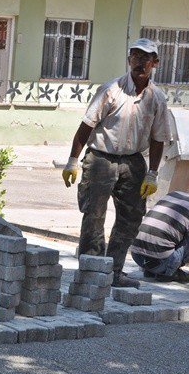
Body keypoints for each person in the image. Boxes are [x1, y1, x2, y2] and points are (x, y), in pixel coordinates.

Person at [61, 37, 171, 288]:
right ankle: (92, 270)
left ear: (155, 63)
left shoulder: (157, 98)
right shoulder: (112, 90)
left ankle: (113, 271)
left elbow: (158, 139)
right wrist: (72, 161)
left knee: (131, 218)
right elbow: (86, 126)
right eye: (135, 56)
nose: (140, 62)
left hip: (133, 162)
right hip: (101, 158)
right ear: (129, 59)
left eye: (146, 58)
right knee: (94, 214)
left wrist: (152, 174)